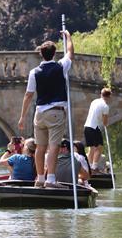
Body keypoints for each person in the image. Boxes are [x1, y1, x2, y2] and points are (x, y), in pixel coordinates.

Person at [18, 30, 74, 188]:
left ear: (41, 55)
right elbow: (70, 51)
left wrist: (22, 117)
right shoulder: (61, 66)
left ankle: (40, 178)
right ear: (54, 53)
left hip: (39, 114)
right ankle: (50, 179)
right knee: (54, 146)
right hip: (55, 112)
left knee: (40, 147)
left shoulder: (34, 72)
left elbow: (28, 95)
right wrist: (68, 36)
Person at [84, 88, 111, 173]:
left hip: (87, 126)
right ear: (109, 96)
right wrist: (105, 123)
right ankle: (94, 167)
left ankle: (88, 168)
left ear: (101, 94)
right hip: (94, 127)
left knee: (91, 148)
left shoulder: (94, 101)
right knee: (99, 148)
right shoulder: (105, 106)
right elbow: (105, 121)